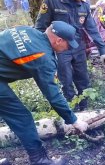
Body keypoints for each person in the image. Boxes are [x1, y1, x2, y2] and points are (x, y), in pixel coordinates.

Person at [0, 21, 88, 165]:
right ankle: (40, 160)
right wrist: (74, 120)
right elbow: (53, 96)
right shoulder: (43, 57)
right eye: (68, 44)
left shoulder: (28, 31)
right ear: (58, 40)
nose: (68, 48)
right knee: (22, 117)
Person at [35, 0, 105, 111]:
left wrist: (102, 50)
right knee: (66, 83)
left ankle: (86, 112)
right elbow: (39, 28)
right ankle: (72, 114)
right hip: (60, 51)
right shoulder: (52, 0)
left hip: (78, 48)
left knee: (84, 82)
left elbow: (92, 28)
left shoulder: (84, 5)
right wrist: (43, 55)